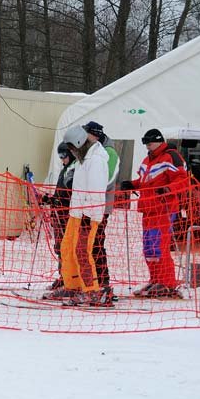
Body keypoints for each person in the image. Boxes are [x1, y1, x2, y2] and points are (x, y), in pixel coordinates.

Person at [44, 122, 109, 305]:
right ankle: (72, 285)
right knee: (67, 248)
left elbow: (95, 191)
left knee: (82, 252)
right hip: (77, 213)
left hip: (88, 215)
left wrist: (88, 217)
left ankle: (91, 290)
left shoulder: (95, 160)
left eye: (72, 149)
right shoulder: (84, 159)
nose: (71, 152)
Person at [120, 128, 189, 298]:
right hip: (148, 208)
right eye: (145, 143)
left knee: (159, 246)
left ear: (158, 140)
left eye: (149, 143)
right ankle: (156, 280)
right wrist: (133, 184)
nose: (147, 146)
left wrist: (167, 189)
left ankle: (167, 283)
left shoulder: (171, 156)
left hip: (164, 208)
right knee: (149, 248)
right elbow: (146, 182)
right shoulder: (147, 159)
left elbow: (183, 180)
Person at [82, 121, 120, 301]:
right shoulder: (91, 151)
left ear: (94, 134)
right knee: (86, 245)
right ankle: (91, 281)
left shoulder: (108, 153)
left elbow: (107, 178)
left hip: (101, 207)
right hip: (88, 206)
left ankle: (103, 282)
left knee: (96, 244)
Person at [40, 139, 77, 290]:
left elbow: (70, 193)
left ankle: (69, 279)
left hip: (67, 214)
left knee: (66, 247)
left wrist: (58, 201)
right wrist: (51, 199)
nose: (62, 159)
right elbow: (61, 192)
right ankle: (63, 276)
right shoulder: (66, 168)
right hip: (59, 213)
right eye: (60, 156)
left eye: (64, 155)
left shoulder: (74, 169)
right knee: (60, 246)